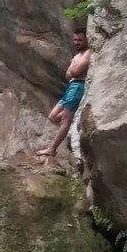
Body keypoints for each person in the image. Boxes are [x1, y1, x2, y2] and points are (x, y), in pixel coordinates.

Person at [37, 29, 91, 158]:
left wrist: (73, 70)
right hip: (71, 87)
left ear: (87, 40)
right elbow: (68, 74)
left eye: (80, 40)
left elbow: (75, 71)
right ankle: (69, 126)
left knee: (65, 119)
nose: (76, 42)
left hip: (78, 86)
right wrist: (73, 71)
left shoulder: (89, 53)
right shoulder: (77, 56)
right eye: (75, 40)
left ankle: (52, 149)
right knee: (53, 116)